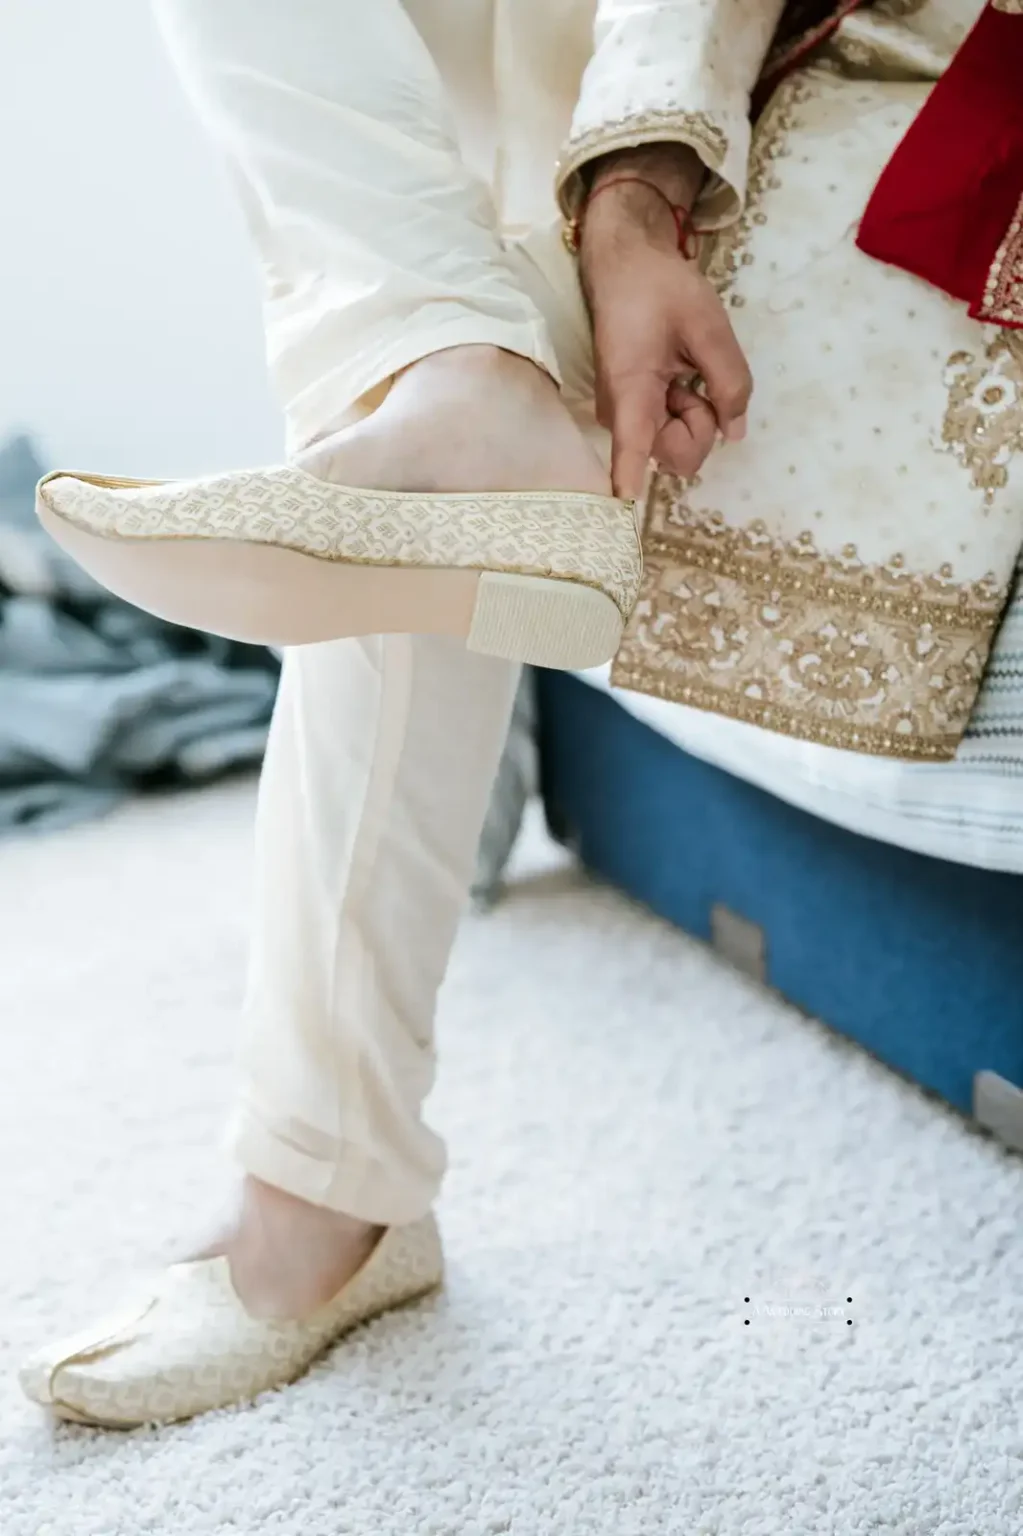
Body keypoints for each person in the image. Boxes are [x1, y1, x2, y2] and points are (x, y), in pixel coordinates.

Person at [20, 0, 1021, 1427]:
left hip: (913, 83)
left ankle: (324, 1193)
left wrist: (641, 183)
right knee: (431, 305)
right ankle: (449, 375)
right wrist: (630, 193)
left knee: (452, 375)